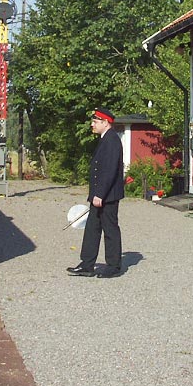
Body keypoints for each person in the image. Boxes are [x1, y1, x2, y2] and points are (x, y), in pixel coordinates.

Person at [68, 107, 125, 278]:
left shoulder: (112, 141)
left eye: (95, 121)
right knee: (92, 228)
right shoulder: (105, 139)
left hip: (107, 196)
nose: (92, 124)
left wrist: (100, 194)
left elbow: (109, 170)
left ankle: (114, 266)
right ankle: (87, 265)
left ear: (105, 122)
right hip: (99, 195)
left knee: (110, 229)